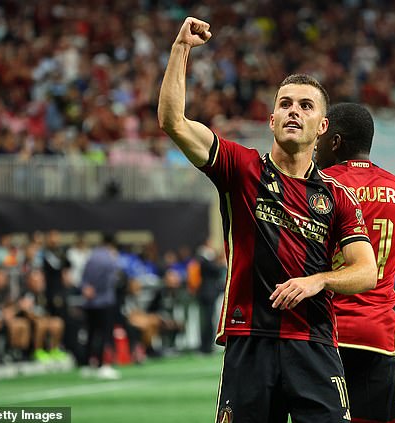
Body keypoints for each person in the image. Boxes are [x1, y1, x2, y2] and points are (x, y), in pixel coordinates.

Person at [158, 17, 377, 423]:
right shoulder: (240, 168)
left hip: (313, 345)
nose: (294, 111)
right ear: (272, 120)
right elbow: (173, 121)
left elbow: (366, 272)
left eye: (306, 106)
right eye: (285, 104)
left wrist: (319, 280)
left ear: (323, 127)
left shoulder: (338, 196)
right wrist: (180, 49)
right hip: (250, 341)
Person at [315, 102, 395, 423]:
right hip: (378, 338)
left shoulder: (314, 188)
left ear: (335, 142)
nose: (316, 145)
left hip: (321, 337)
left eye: (321, 137)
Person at [80, 233, 121, 379]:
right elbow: (112, 280)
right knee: (105, 335)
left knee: (91, 333)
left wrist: (88, 289)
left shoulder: (91, 256)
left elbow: (83, 278)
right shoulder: (111, 258)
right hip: (104, 301)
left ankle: (87, 364)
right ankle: (104, 364)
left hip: (90, 302)